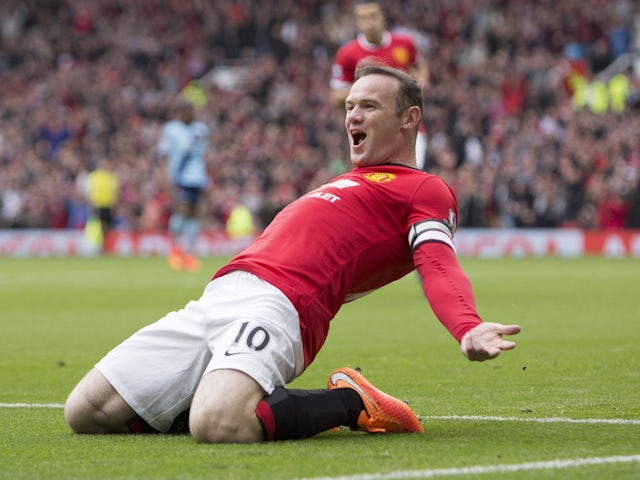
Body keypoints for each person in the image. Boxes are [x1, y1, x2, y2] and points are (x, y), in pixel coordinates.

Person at [64, 65, 521, 443]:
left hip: (284, 306)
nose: (352, 116)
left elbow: (437, 263)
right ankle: (223, 395)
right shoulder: (347, 179)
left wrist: (468, 325)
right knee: (85, 411)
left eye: (368, 106)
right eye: (349, 106)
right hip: (219, 295)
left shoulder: (425, 190)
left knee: (218, 425)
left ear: (409, 119)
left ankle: (351, 401)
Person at [330, 0, 430, 170]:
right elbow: (336, 98)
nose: (369, 23)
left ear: (382, 17)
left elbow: (420, 64)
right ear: (357, 22)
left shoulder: (405, 43)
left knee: (409, 176)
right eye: (363, 18)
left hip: (408, 128)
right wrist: (369, 89)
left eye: (373, 16)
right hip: (373, 133)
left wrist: (422, 80)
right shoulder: (347, 54)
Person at [157, 98, 210, 272]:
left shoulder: (201, 130)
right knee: (183, 211)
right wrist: (165, 176)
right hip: (180, 176)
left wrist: (206, 176)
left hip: (197, 177)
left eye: (192, 109)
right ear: (180, 112)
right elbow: (164, 154)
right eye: (186, 110)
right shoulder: (171, 130)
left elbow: (203, 155)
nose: (190, 113)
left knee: (194, 214)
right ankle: (175, 250)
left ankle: (188, 254)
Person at [84, 157, 120, 252]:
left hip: (108, 205)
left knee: (107, 226)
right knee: (98, 226)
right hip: (97, 205)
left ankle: (106, 246)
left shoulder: (112, 177)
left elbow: (115, 192)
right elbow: (89, 191)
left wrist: (114, 205)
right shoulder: (94, 176)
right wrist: (92, 203)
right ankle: (97, 245)